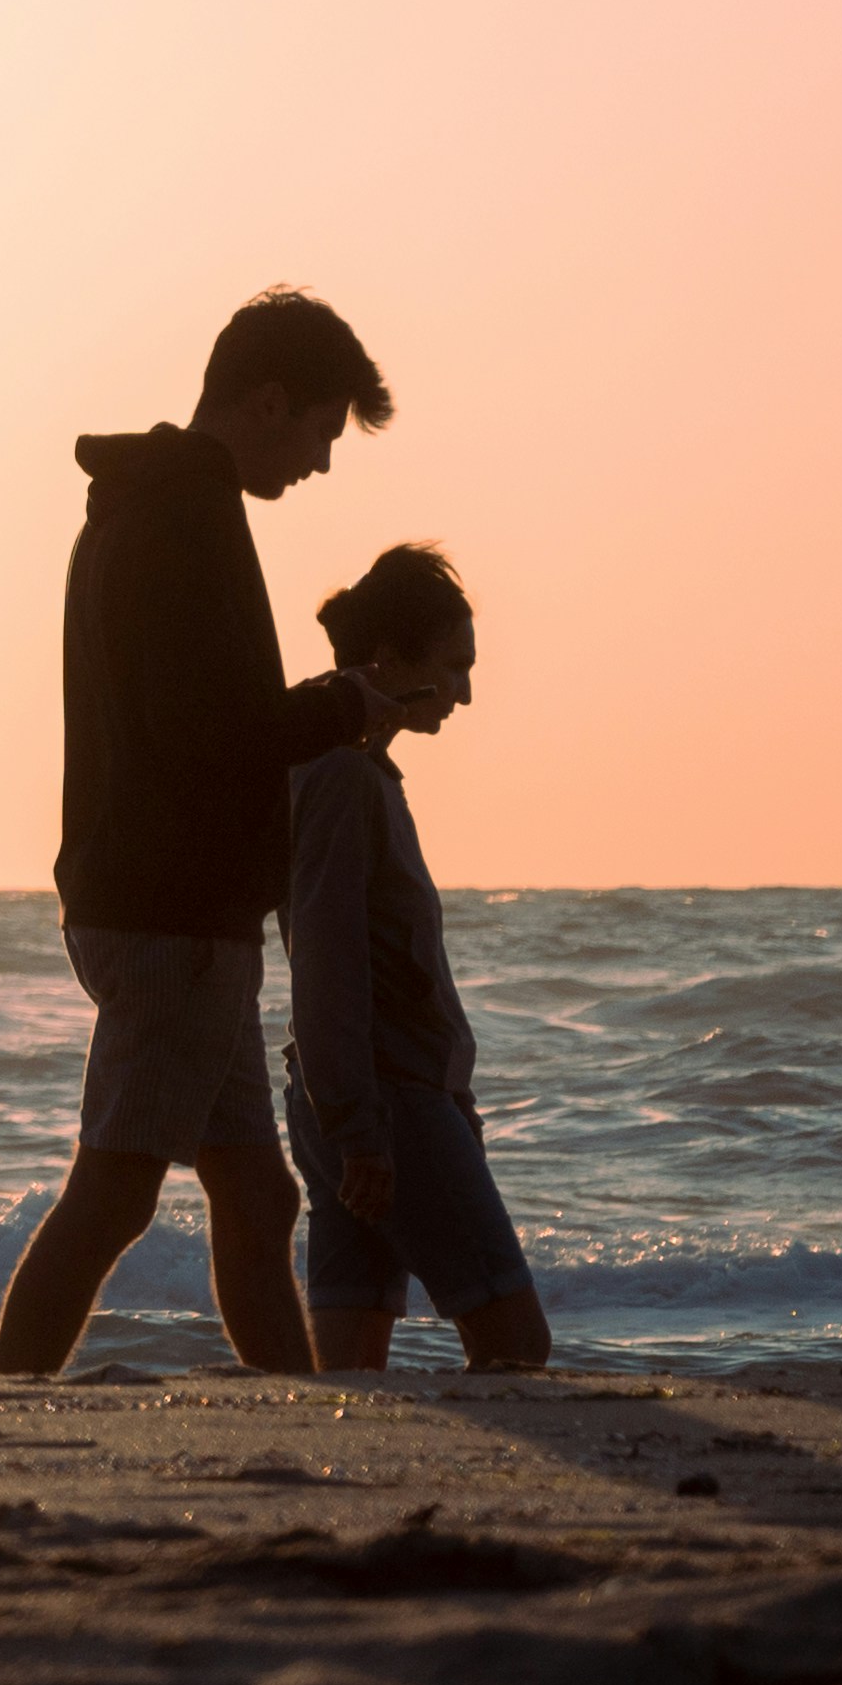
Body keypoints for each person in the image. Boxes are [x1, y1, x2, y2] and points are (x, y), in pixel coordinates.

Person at [0, 290, 405, 1376]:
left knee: (256, 1192)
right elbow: (212, 730)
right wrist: (344, 702)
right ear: (267, 401)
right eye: (319, 430)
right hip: (173, 915)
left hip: (164, 900)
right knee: (113, 1195)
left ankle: (295, 1403)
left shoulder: (141, 500)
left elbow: (189, 720)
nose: (320, 462)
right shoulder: (188, 517)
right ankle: (0, 1404)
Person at [281, 543, 550, 1372]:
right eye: (453, 665)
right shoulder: (344, 780)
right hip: (382, 1105)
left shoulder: (358, 773)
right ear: (389, 659)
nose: (465, 691)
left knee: (352, 1370)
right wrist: (364, 1130)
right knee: (515, 1345)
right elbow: (325, 963)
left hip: (360, 1101)